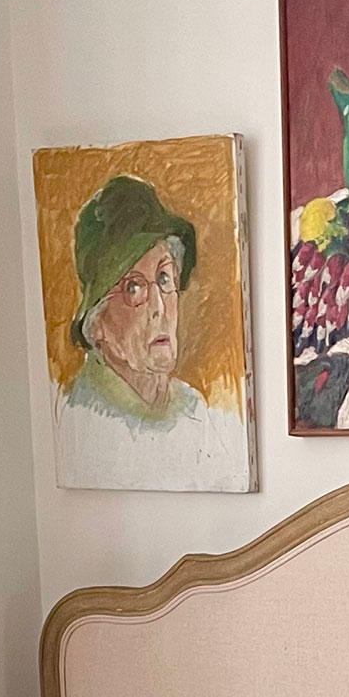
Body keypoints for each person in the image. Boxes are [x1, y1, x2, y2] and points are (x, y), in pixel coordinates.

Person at [55, 174, 249, 492]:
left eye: (163, 278)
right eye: (133, 287)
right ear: (97, 322)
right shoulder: (80, 420)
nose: (159, 306)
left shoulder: (193, 408)